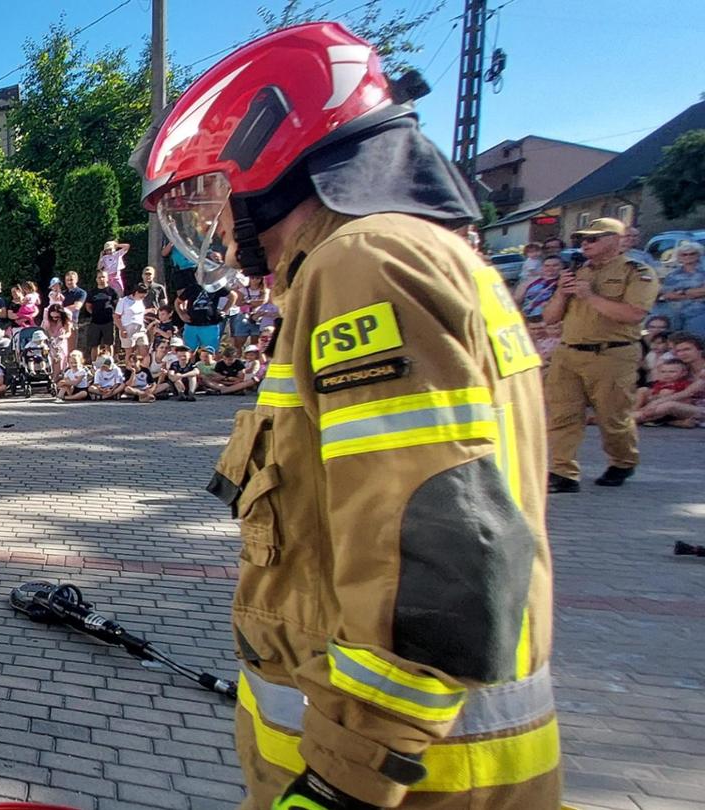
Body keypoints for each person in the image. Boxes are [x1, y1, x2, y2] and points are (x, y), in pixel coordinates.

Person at [134, 22, 556, 809]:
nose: (218, 227)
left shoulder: (364, 265)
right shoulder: (420, 255)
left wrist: (342, 781)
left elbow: (436, 550)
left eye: (214, 195)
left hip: (402, 785)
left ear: (270, 158)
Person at [543, 217, 659, 491]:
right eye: (583, 239)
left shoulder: (636, 272)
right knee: (563, 415)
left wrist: (590, 296)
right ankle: (563, 472)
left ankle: (622, 461)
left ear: (616, 241)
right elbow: (549, 318)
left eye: (594, 238)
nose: (586, 244)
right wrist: (561, 293)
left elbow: (633, 314)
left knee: (613, 417)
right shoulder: (577, 271)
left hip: (611, 355)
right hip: (569, 353)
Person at [653, 241, 705, 332]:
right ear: (679, 257)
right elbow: (667, 295)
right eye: (684, 255)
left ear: (699, 255)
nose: (688, 257)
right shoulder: (672, 275)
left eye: (692, 254)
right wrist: (695, 293)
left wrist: (681, 292)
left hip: (699, 312)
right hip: (676, 314)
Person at [635, 357, 699, 426]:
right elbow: (652, 396)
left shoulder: (685, 384)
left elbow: (687, 401)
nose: (667, 374)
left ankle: (640, 417)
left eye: (672, 372)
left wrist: (660, 398)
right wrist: (654, 397)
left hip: (672, 410)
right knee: (643, 390)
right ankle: (635, 410)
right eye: (663, 372)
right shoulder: (658, 384)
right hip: (655, 406)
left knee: (666, 394)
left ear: (684, 373)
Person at [175, 279, 233, 351]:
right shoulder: (193, 287)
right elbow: (177, 302)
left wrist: (224, 310)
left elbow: (233, 296)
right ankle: (191, 362)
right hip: (191, 325)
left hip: (210, 325)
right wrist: (181, 314)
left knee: (210, 352)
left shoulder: (216, 286)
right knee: (188, 352)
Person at [80, 282, 120, 355]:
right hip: (95, 322)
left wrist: (114, 314)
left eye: (103, 277)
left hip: (109, 321)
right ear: (96, 279)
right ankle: (94, 364)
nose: (101, 279)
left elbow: (117, 304)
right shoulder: (92, 292)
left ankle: (109, 363)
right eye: (99, 277)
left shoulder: (112, 291)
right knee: (94, 345)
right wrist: (94, 313)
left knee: (109, 344)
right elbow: (88, 306)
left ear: (107, 278)